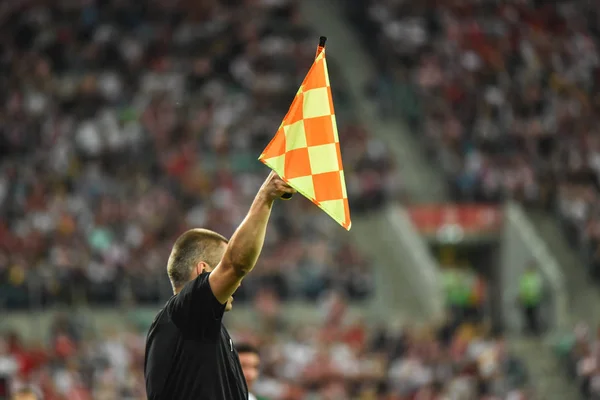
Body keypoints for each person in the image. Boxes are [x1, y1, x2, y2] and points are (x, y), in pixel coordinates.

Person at [144, 171, 296, 400]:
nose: (238, 283)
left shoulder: (196, 327)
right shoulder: (186, 311)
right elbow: (237, 264)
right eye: (220, 265)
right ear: (203, 271)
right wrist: (266, 196)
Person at [518, 264, 544, 336]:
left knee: (534, 316)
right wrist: (522, 297)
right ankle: (529, 330)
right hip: (527, 301)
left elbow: (538, 288)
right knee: (528, 317)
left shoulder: (535, 277)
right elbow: (522, 288)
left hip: (534, 301)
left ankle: (535, 330)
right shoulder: (525, 277)